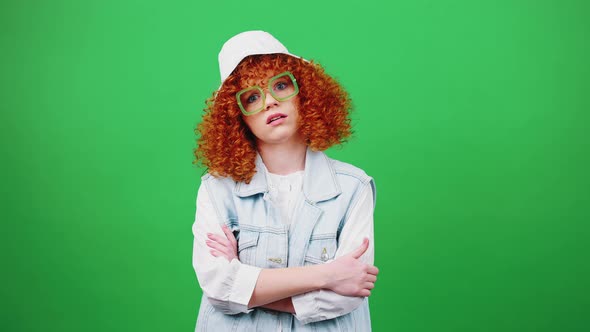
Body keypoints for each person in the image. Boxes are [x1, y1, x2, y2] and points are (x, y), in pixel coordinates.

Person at [191, 30, 379, 331]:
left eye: (280, 85)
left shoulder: (353, 187)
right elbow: (217, 286)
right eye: (251, 97)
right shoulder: (216, 190)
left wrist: (245, 284)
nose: (269, 102)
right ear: (236, 116)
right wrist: (328, 275)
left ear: (304, 92)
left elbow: (347, 295)